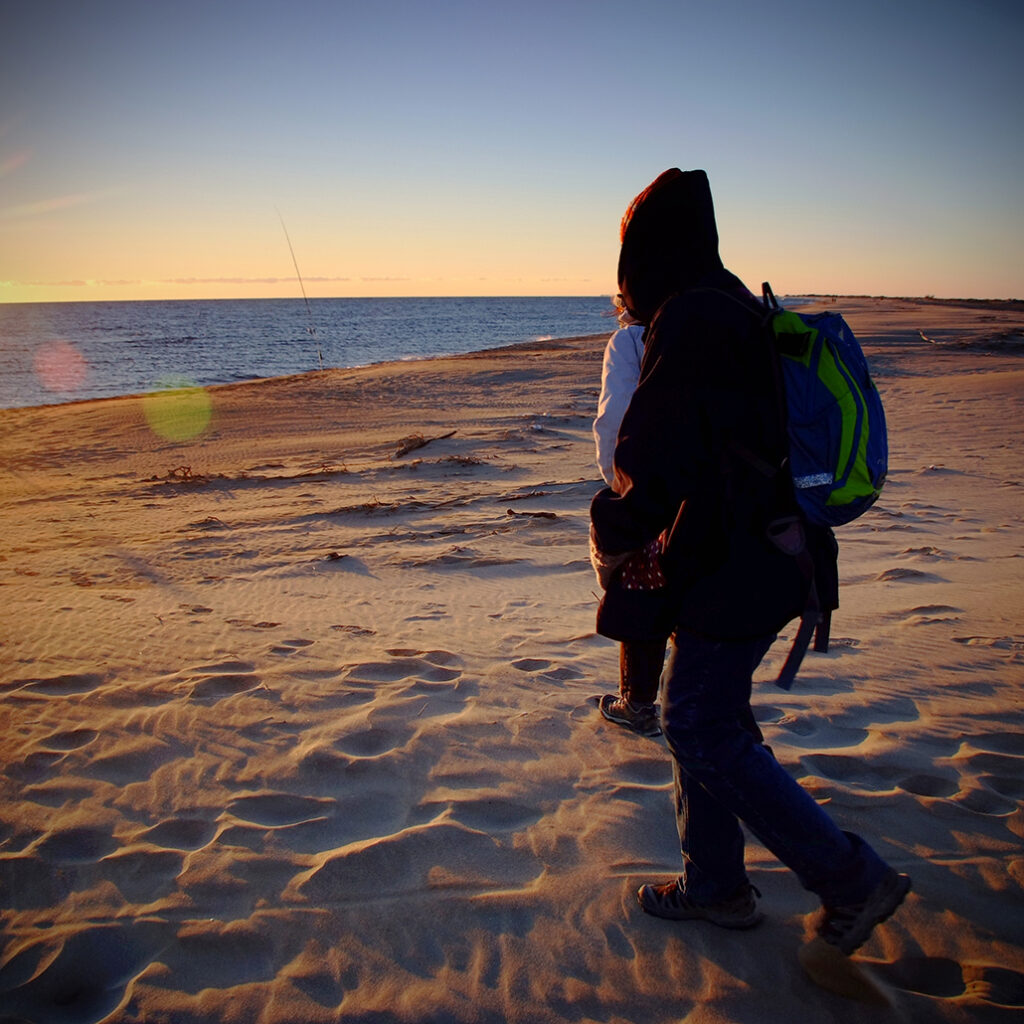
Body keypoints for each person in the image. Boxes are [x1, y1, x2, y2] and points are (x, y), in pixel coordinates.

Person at [589, 168, 910, 955]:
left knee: (694, 720)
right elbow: (712, 453)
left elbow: (655, 455)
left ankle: (848, 880)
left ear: (649, 253)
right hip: (765, 552)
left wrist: (614, 530)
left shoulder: (692, 317)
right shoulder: (729, 301)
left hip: (742, 562)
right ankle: (717, 888)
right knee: (708, 714)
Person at [592, 298, 665, 738]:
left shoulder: (632, 340)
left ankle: (638, 704)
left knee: (641, 586)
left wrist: (620, 487)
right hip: (733, 490)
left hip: (657, 490)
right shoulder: (725, 321)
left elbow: (613, 424)